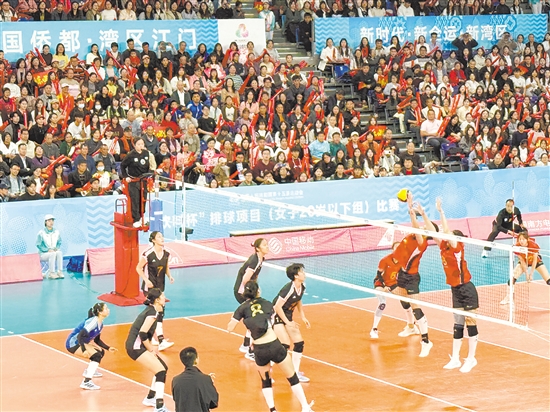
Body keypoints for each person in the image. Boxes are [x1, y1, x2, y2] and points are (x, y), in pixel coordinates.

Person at [227, 281, 314, 412]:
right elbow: (270, 320)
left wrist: (247, 325)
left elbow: (230, 328)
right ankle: (305, 407)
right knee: (292, 378)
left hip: (259, 350)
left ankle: (272, 409)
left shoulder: (242, 308)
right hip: (274, 346)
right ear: (258, 291)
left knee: (266, 381)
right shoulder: (267, 303)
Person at [424, 199, 479, 373]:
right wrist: (423, 214)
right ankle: (455, 359)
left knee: (471, 324)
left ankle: (471, 358)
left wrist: (441, 212)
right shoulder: (444, 247)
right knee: (458, 325)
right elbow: (433, 232)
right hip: (455, 289)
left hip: (467, 289)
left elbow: (446, 232)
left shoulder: (457, 248)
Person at [392, 192, 435, 357]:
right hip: (402, 274)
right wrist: (409, 206)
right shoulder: (412, 236)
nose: (423, 227)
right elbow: (414, 224)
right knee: (403, 300)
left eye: (426, 228)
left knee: (416, 307)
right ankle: (411, 327)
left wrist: (411, 207)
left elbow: (415, 225)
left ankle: (426, 340)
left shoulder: (421, 242)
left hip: (412, 278)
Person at [125, 288, 169, 412]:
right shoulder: (152, 313)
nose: (164, 298)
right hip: (136, 347)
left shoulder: (153, 310)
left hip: (137, 345)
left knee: (163, 367)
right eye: (162, 296)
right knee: (160, 371)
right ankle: (159, 406)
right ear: (157, 300)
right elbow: (143, 333)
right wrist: (151, 350)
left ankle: (150, 398)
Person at [137, 231, 175, 352]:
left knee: (155, 312)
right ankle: (161, 340)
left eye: (162, 236)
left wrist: (170, 276)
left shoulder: (166, 253)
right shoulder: (148, 254)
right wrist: (146, 280)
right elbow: (138, 268)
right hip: (150, 288)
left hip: (160, 287)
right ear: (153, 240)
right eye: (159, 237)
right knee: (158, 311)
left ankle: (149, 335)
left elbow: (166, 267)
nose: (162, 238)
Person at [65, 303, 118, 390]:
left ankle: (89, 371)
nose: (108, 310)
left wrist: (108, 348)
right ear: (100, 312)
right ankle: (86, 382)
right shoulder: (93, 322)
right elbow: (79, 336)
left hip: (80, 342)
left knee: (101, 352)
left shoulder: (100, 323)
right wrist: (84, 350)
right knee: (96, 356)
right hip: (73, 343)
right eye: (106, 308)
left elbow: (97, 340)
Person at [273, 263, 311, 383]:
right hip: (275, 316)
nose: (304, 273)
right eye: (301, 272)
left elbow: (298, 300)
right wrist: (287, 322)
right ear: (295, 276)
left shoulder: (302, 286)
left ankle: (295, 372)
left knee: (299, 343)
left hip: (287, 316)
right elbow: (277, 307)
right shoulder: (288, 289)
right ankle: (266, 370)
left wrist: (303, 316)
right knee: (284, 345)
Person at [233, 238, 269, 360]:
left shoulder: (260, 258)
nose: (267, 247)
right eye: (264, 245)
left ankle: (245, 345)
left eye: (267, 244)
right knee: (254, 318)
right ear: (258, 248)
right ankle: (250, 351)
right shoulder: (254, 260)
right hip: (242, 292)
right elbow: (245, 279)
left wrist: (257, 288)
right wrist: (253, 293)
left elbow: (255, 276)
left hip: (248, 290)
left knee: (253, 317)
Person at [501, 232, 550, 305]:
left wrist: (531, 274)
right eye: (520, 239)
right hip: (524, 262)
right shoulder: (517, 247)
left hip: (535, 262)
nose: (521, 241)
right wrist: (527, 274)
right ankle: (509, 298)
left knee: (549, 281)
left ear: (527, 239)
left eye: (523, 239)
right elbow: (522, 261)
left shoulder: (533, 245)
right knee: (511, 280)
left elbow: (535, 260)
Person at [172, 347, 219, 412]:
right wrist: (208, 382)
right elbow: (213, 403)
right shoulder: (205, 379)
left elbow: (177, 399)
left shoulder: (176, 380)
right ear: (196, 360)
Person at [369, 242, 401, 339]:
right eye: (396, 247)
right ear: (392, 249)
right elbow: (379, 274)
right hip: (380, 283)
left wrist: (393, 286)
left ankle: (411, 325)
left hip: (393, 284)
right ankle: (374, 329)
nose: (398, 249)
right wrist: (384, 286)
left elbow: (401, 275)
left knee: (407, 300)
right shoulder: (385, 260)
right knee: (382, 303)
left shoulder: (403, 260)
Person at [120, 138, 151, 228]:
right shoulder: (130, 155)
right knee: (135, 200)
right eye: (138, 144)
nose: (141, 146)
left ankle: (142, 217)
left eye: (142, 144)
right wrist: (126, 177)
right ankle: (136, 219)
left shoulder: (146, 153)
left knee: (143, 198)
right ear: (134, 145)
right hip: (133, 181)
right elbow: (122, 165)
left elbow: (148, 165)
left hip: (143, 180)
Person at [36, 214, 64, 280]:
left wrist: (56, 248)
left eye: (52, 220)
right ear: (45, 222)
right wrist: (47, 250)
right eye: (49, 220)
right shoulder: (41, 233)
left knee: (59, 253)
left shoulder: (56, 232)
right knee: (52, 254)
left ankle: (59, 271)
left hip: (53, 252)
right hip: (43, 254)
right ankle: (51, 273)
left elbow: (59, 242)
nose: (51, 222)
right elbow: (38, 244)